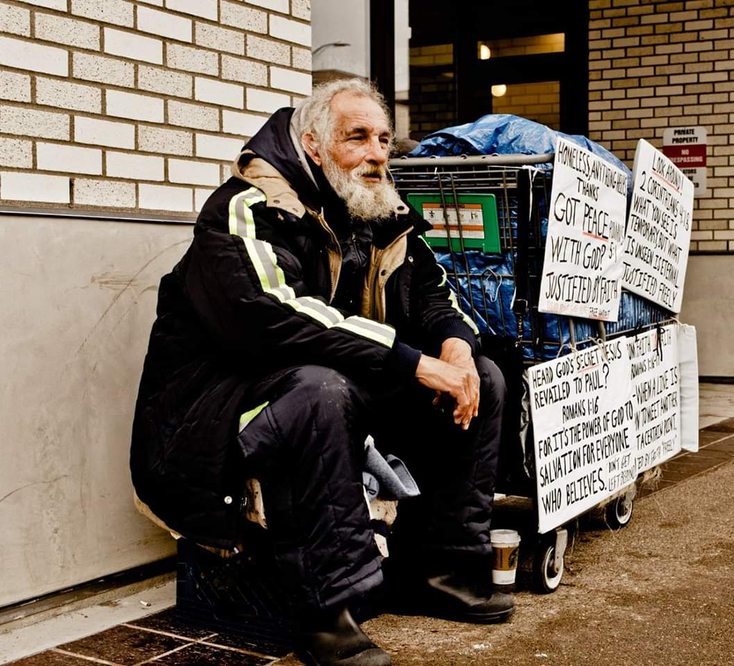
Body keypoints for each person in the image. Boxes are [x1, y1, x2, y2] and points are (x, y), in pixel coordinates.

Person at [130, 77, 513, 666]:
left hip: (328, 390)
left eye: (383, 139)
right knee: (319, 390)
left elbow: (434, 295)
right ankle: (326, 611)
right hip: (210, 420)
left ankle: (438, 570)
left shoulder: (378, 211)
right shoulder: (245, 209)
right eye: (357, 137)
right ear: (313, 144)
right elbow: (273, 318)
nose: (376, 153)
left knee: (482, 376)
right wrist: (413, 362)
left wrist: (455, 351)